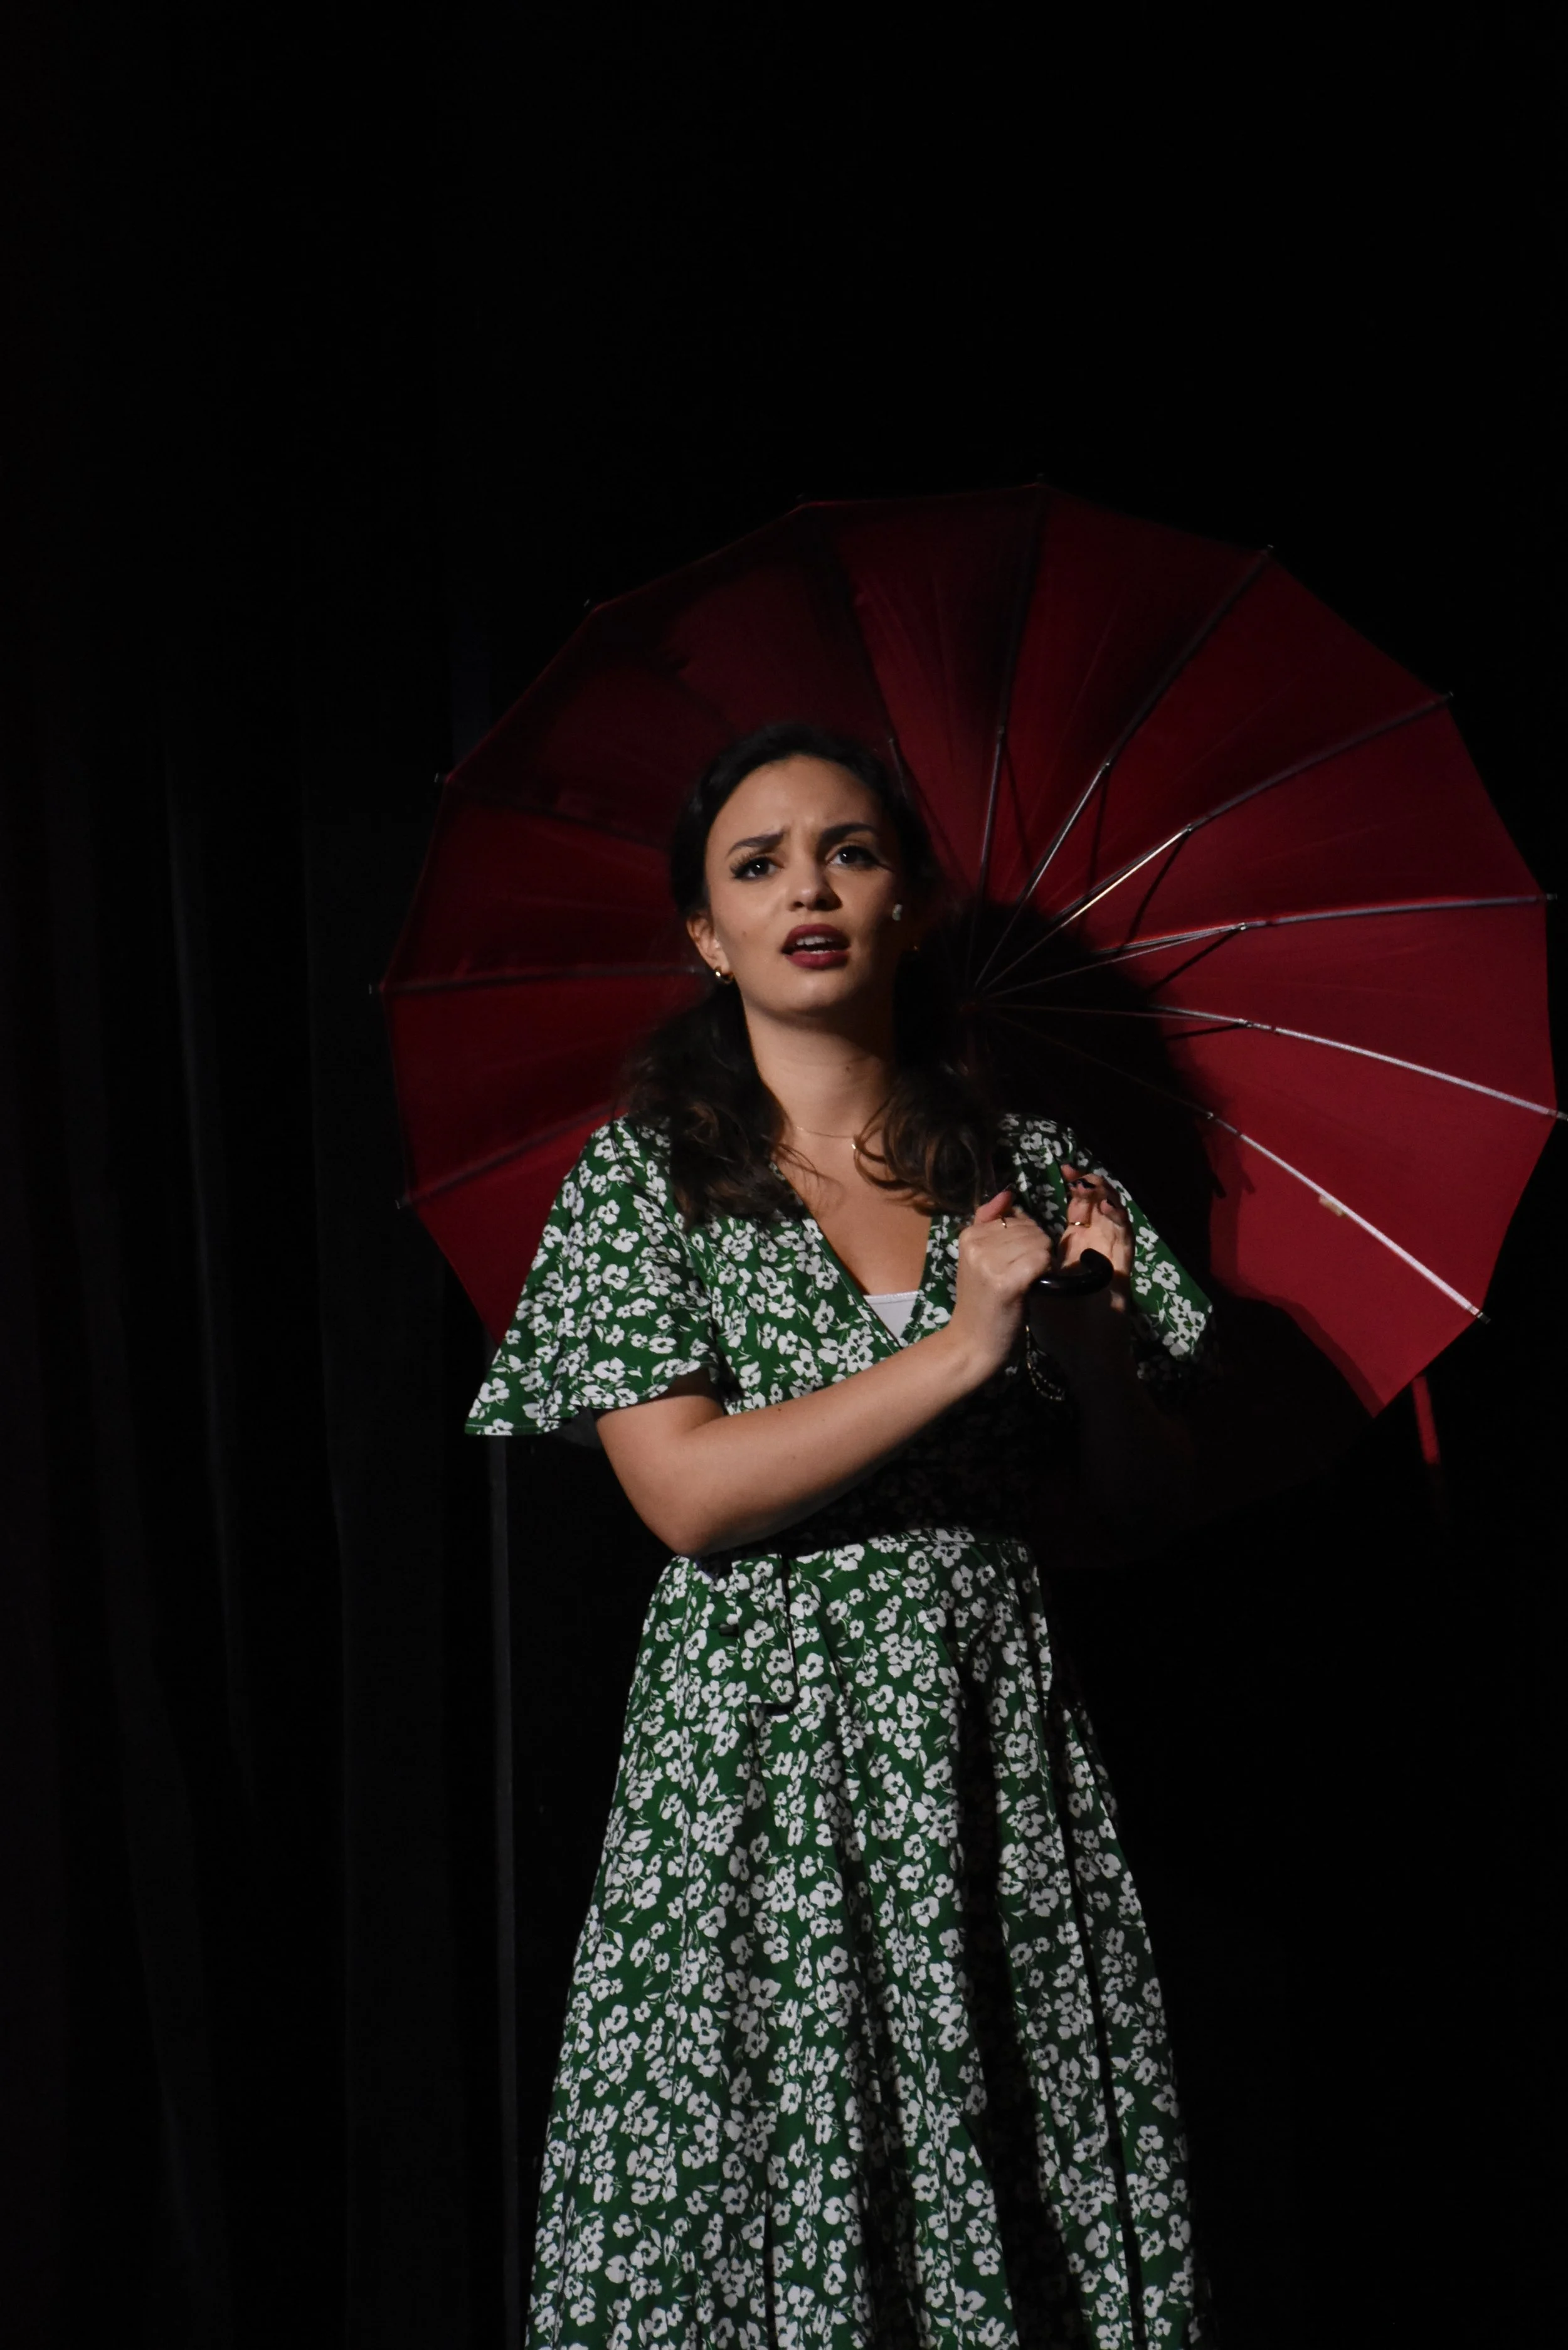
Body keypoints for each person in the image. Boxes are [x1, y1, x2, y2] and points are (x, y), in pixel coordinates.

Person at [468, 721, 1214, 2350]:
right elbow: (685, 1493)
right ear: (703, 933)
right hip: (751, 1761)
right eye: (757, 864)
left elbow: (1138, 1513)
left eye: (850, 853)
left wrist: (1086, 1362)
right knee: (750, 2196)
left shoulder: (1031, 1178)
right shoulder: (646, 1182)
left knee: (1010, 2199)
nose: (805, 886)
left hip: (984, 1743)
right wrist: (953, 1352)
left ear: (912, 908)